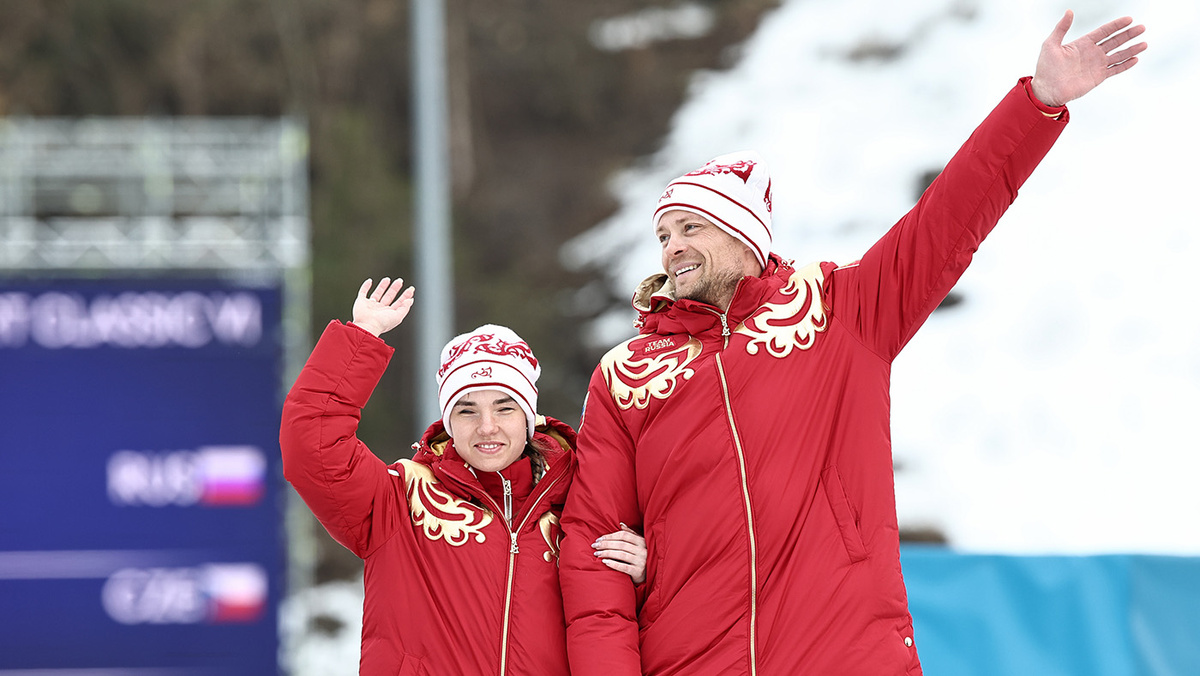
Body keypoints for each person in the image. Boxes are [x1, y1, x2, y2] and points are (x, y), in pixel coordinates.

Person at [559, 11, 1146, 676]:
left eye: (692, 227)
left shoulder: (838, 310)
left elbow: (946, 221)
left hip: (842, 654)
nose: (672, 247)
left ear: (745, 238)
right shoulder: (627, 375)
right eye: (664, 235)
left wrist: (1036, 103)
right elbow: (593, 552)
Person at [280, 277, 647, 675]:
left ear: (529, 417)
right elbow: (311, 443)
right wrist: (363, 336)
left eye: (505, 408)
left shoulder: (580, 505)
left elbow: (618, 625)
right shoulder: (398, 499)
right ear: (448, 421)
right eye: (467, 410)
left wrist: (646, 575)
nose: (487, 427)